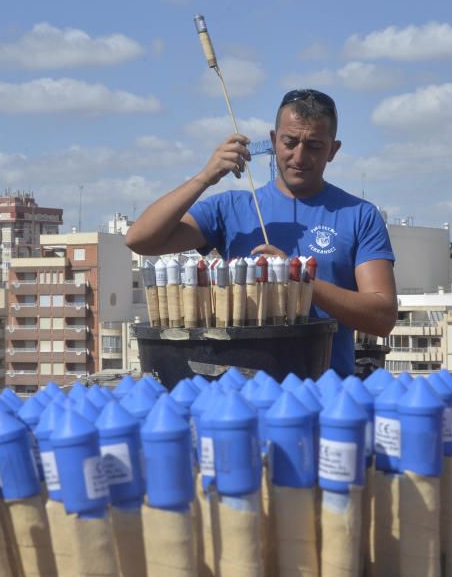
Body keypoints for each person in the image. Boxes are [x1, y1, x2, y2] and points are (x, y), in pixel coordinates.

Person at [125, 89, 397, 377]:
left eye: (315, 145)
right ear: (272, 141)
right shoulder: (231, 208)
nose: (300, 156)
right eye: (289, 142)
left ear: (333, 149)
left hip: (325, 399)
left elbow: (381, 317)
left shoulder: (359, 215)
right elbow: (140, 240)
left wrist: (297, 278)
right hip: (242, 398)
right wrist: (205, 177)